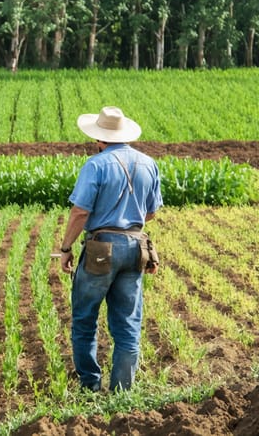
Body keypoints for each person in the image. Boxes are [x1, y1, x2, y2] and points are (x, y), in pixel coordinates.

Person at [58, 106, 163, 393]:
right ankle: (121, 394)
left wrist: (66, 247)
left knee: (84, 320)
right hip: (136, 247)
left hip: (101, 248)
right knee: (128, 324)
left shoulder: (96, 165)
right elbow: (151, 212)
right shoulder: (148, 163)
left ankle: (91, 387)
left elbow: (80, 212)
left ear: (99, 139)